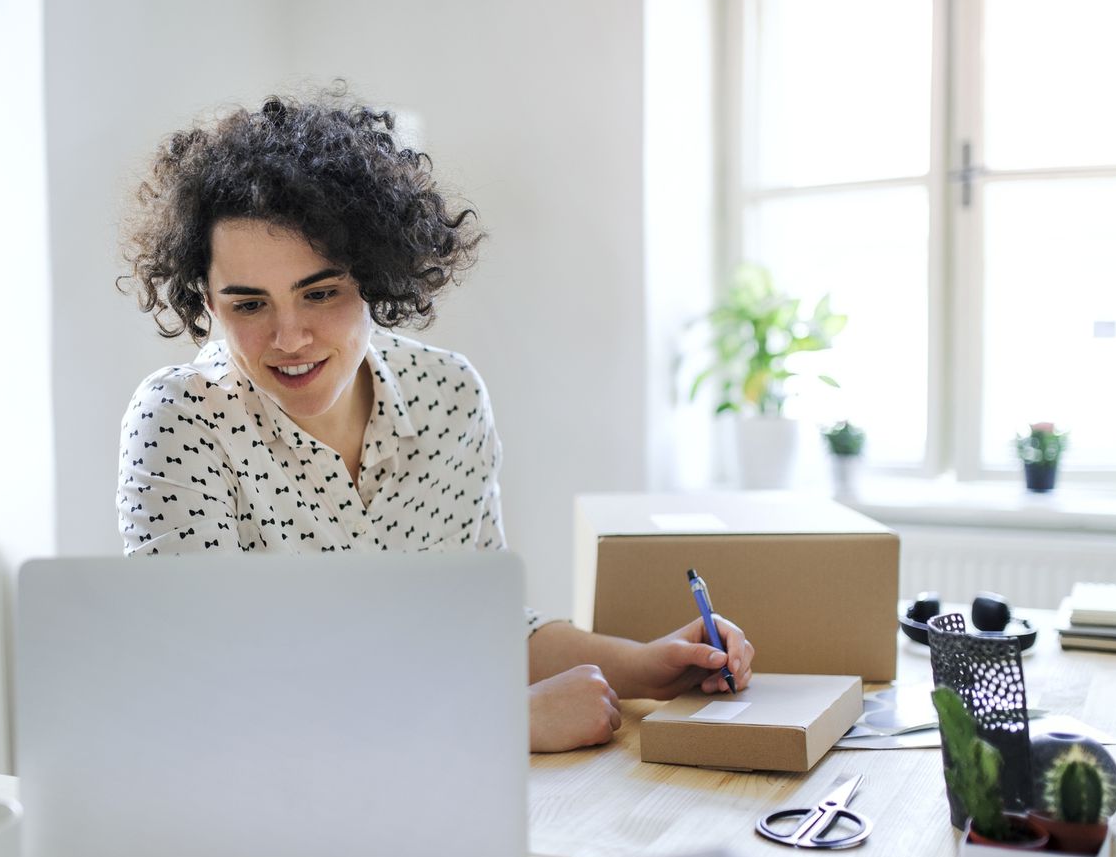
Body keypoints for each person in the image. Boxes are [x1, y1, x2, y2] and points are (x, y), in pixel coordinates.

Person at [115, 88, 753, 753]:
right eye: (249, 305)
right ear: (206, 302)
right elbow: (207, 697)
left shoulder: (447, 395)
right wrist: (505, 724)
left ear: (378, 275)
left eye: (322, 292)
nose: (289, 336)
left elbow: (483, 628)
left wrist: (647, 666)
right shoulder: (180, 421)